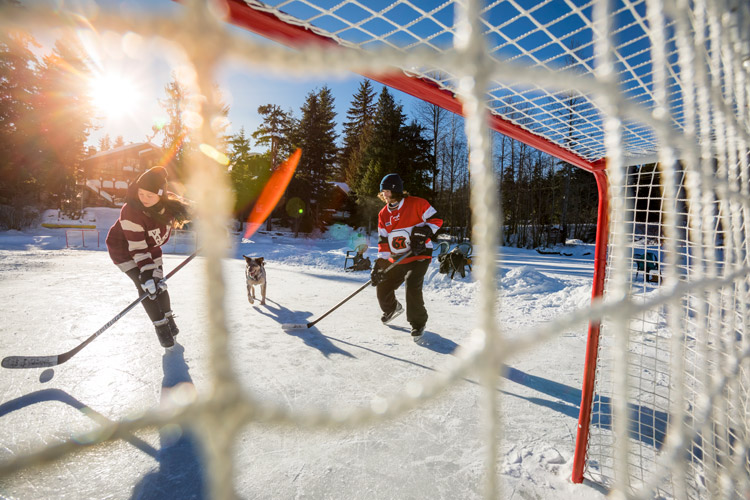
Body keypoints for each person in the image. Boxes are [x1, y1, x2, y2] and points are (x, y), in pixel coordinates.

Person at [105, 166, 191, 348]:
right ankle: (161, 329)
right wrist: (145, 274)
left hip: (150, 248)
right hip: (124, 249)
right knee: (146, 286)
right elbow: (136, 247)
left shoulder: (169, 206)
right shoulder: (131, 211)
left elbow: (194, 211)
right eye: (141, 193)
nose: (144, 199)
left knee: (159, 285)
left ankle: (169, 321)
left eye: (150, 195)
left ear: (161, 195)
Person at [370, 173, 442, 340]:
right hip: (398, 257)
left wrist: (423, 233)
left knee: (412, 283)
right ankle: (392, 308)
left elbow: (437, 219)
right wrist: (380, 263)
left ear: (397, 190)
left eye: (387, 191)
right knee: (383, 285)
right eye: (383, 192)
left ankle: (418, 323)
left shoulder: (417, 203)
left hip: (419, 254)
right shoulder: (383, 214)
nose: (384, 195)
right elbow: (383, 240)